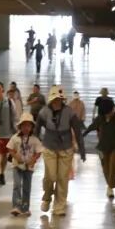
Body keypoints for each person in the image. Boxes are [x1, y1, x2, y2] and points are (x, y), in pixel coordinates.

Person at [36, 85, 85, 216]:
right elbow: (37, 129)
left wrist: (82, 149)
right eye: (56, 99)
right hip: (49, 148)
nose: (58, 101)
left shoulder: (70, 112)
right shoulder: (44, 112)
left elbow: (78, 132)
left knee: (63, 178)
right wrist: (34, 145)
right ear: (51, 99)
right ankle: (47, 197)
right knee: (50, 176)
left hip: (66, 149)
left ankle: (59, 206)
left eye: (60, 99)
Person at [85, 96, 115, 198]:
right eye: (108, 112)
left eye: (112, 110)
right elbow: (91, 127)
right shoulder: (100, 118)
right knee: (106, 167)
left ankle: (111, 186)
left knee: (114, 165)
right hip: (103, 147)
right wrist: (82, 135)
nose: (111, 113)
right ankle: (109, 185)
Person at [6, 112, 39, 216]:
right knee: (17, 185)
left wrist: (33, 160)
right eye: (24, 125)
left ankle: (25, 208)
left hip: (29, 167)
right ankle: (16, 206)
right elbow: (10, 148)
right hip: (17, 165)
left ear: (32, 127)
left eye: (28, 125)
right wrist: (16, 156)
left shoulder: (34, 139)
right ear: (20, 126)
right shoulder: (15, 138)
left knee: (26, 187)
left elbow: (39, 151)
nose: (26, 128)